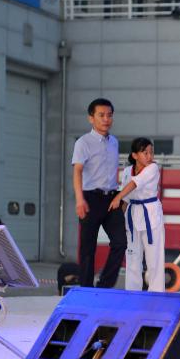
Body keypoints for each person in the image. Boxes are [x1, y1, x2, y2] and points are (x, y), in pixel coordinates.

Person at [72, 98, 126, 288]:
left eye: (109, 115)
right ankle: (86, 289)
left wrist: (121, 196)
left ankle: (104, 286)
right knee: (88, 248)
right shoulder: (83, 143)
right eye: (101, 115)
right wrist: (79, 199)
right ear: (91, 118)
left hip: (111, 198)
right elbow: (77, 171)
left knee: (120, 242)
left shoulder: (114, 142)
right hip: (90, 199)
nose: (106, 119)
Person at [109, 138, 165, 292]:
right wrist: (119, 219)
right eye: (144, 152)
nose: (149, 156)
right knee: (133, 258)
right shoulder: (127, 171)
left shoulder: (153, 168)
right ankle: (132, 294)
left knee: (154, 259)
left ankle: (157, 294)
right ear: (134, 155)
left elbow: (134, 184)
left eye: (151, 152)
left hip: (150, 214)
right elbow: (127, 198)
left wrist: (117, 197)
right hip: (132, 215)